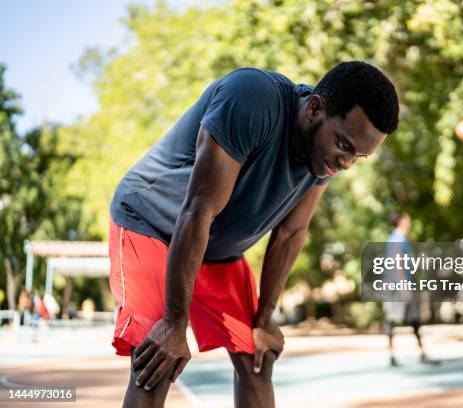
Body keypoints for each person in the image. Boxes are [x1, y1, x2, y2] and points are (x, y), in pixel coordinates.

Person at [108, 61, 399, 407]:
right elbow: (198, 210)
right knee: (156, 361)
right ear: (316, 109)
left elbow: (291, 233)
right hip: (152, 225)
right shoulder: (252, 99)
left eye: (359, 156)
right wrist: (174, 322)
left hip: (216, 249)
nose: (346, 163)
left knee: (260, 359)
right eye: (344, 146)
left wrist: (265, 319)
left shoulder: (323, 154)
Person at [383, 212, 435, 366]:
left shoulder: (399, 239)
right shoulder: (397, 239)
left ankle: (421, 354)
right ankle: (393, 356)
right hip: (398, 287)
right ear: (401, 221)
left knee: (412, 320)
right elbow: (396, 263)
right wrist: (404, 286)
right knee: (394, 321)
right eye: (407, 219)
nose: (410, 221)